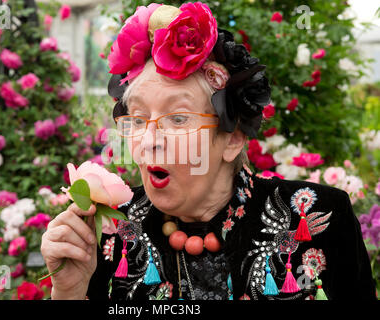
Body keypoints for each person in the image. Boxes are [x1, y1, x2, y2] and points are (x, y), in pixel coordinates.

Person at [41, 2, 376, 300]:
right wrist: (69, 292)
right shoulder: (110, 228)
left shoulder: (322, 217)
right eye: (139, 119)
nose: (149, 141)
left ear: (232, 139)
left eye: (177, 118)